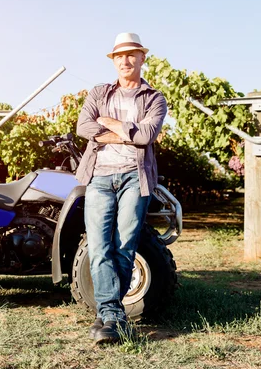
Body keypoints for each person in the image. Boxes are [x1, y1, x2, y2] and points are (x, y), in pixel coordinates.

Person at [75, 32, 167, 344]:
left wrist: (111, 126)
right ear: (113, 61)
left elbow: (146, 136)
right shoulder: (99, 93)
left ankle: (108, 316)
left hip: (133, 176)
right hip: (99, 177)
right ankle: (113, 315)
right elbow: (84, 127)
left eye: (131, 55)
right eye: (119, 56)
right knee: (99, 247)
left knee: (124, 246)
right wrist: (128, 132)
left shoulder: (154, 98)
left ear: (142, 58)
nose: (125, 60)